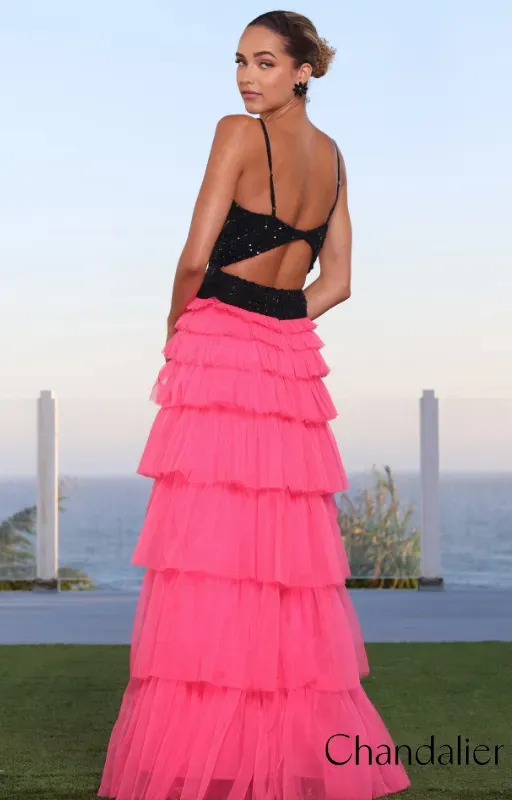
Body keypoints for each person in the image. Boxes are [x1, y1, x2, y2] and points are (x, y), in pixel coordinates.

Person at [98, 10, 411, 800]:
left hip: (220, 343)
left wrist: (177, 330)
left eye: (265, 62)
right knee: (279, 563)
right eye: (240, 62)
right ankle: (272, 753)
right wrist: (281, 321)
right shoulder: (334, 159)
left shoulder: (237, 134)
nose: (246, 77)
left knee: (207, 554)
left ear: (303, 70)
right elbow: (338, 282)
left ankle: (205, 754)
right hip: (285, 357)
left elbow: (194, 258)